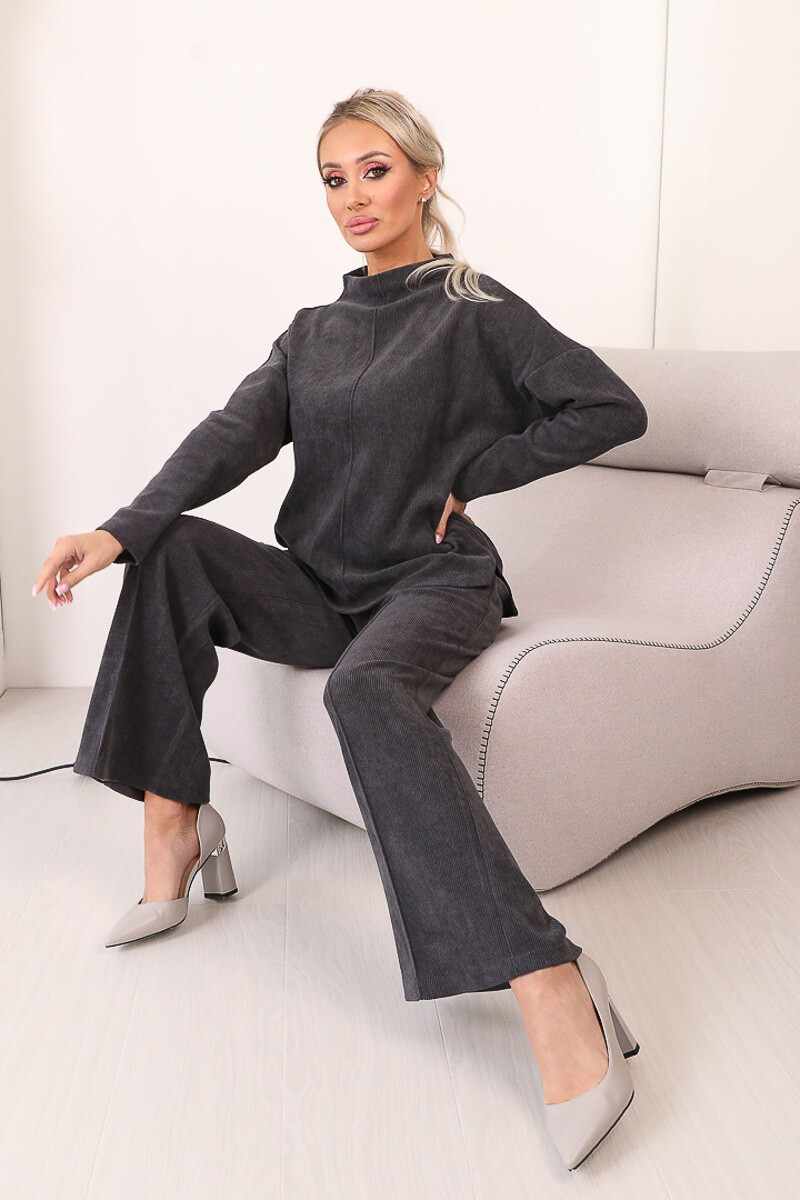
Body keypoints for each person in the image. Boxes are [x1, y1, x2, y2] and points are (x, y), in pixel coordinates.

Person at [31, 87, 647, 1170]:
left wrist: (477, 472)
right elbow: (228, 437)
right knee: (170, 550)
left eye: (374, 170)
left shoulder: (474, 307)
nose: (353, 196)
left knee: (365, 691)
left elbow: (608, 407)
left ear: (422, 177)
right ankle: (176, 823)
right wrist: (116, 531)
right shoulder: (311, 332)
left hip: (433, 580)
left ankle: (548, 978)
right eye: (332, 178)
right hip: (323, 584)